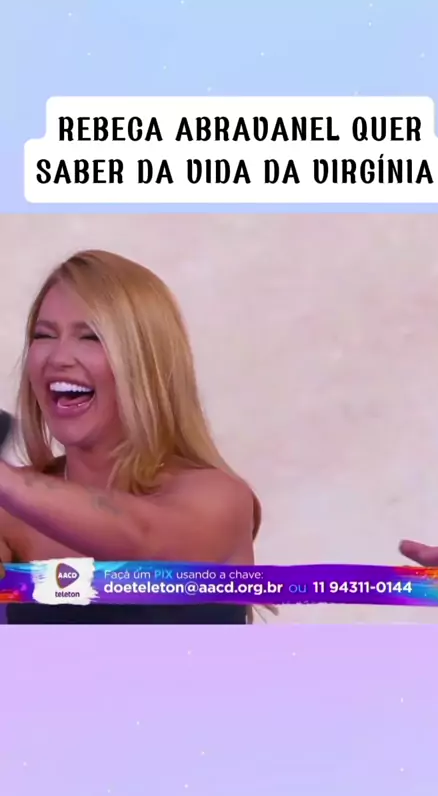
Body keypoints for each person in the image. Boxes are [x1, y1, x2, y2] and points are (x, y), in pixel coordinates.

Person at [0, 249, 261, 624]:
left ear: (146, 361)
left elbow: (146, 543)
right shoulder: (10, 513)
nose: (58, 357)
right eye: (44, 335)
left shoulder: (219, 499)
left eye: (90, 337)